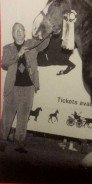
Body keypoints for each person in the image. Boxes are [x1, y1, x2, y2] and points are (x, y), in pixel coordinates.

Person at [0, 22, 50, 153]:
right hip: (12, 87)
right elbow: (4, 63)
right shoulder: (8, 48)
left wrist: (49, 32)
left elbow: (44, 44)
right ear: (12, 34)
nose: (18, 32)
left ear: (24, 32)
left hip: (28, 88)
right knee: (7, 116)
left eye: (21, 29)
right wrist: (19, 54)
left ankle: (20, 144)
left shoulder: (31, 44)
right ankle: (2, 141)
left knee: (23, 117)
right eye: (16, 30)